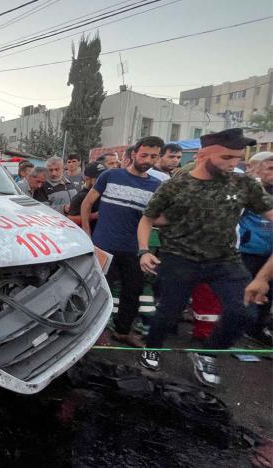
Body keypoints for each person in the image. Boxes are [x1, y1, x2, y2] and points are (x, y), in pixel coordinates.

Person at [138, 129, 273, 387]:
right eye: (227, 157)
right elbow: (147, 218)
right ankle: (152, 346)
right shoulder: (176, 184)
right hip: (179, 258)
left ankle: (207, 352)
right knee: (168, 313)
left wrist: (263, 277)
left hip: (225, 260)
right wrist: (144, 250)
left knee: (245, 313)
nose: (234, 163)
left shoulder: (243, 184)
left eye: (238, 157)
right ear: (203, 155)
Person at [81, 136, 164, 347]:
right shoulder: (110, 175)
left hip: (134, 249)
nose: (147, 159)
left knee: (132, 292)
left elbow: (157, 219)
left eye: (153, 156)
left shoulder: (157, 186)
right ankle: (95, 333)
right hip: (103, 246)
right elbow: (87, 204)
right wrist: (87, 234)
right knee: (97, 291)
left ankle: (122, 331)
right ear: (133, 154)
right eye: (144, 154)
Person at [238, 154, 273, 346]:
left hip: (270, 255)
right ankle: (235, 327)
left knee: (267, 294)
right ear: (256, 169)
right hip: (248, 250)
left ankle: (256, 329)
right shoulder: (247, 191)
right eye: (270, 169)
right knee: (242, 291)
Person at [67, 161, 107, 229]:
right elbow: (70, 220)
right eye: (98, 178)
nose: (103, 180)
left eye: (104, 176)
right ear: (87, 178)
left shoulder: (104, 193)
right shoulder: (80, 197)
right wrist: (94, 216)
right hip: (86, 237)